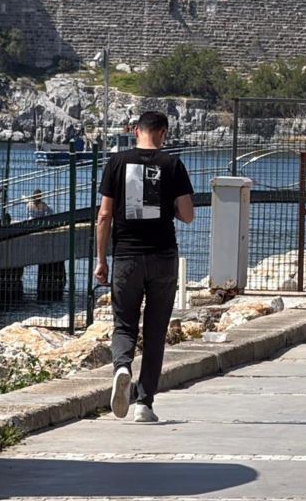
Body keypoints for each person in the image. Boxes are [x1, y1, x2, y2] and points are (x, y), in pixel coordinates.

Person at [95, 111, 195, 422]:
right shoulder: (173, 165)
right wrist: (168, 208)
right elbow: (188, 214)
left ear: (136, 130)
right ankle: (144, 403)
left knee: (124, 325)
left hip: (126, 257)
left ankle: (122, 366)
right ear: (163, 133)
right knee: (155, 331)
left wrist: (101, 260)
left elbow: (104, 216)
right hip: (163, 257)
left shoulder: (116, 162)